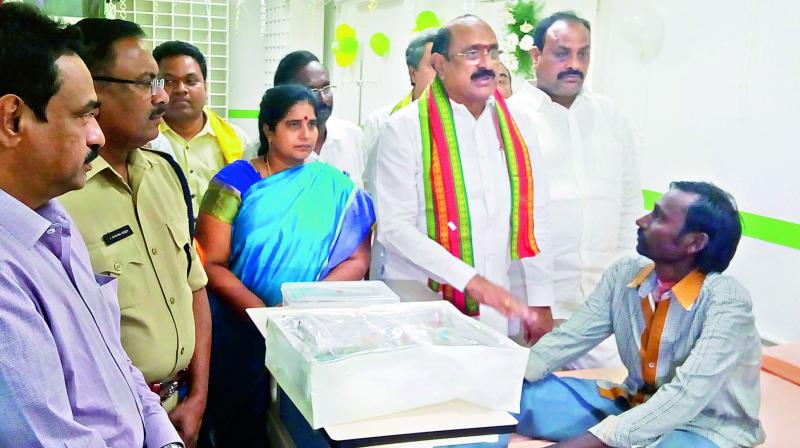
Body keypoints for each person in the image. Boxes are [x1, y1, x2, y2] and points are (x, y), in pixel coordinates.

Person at [0, 4, 181, 447]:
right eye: (83, 115)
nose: (96, 137)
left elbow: (117, 364)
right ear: (12, 120)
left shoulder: (54, 221)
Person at [516, 182, 765, 448]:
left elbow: (684, 397)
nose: (641, 220)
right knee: (511, 396)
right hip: (631, 406)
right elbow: (566, 340)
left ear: (695, 242)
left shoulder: (727, 302)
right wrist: (499, 376)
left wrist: (591, 442)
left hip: (703, 428)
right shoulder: (625, 273)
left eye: (659, 217)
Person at [194, 84, 374, 447]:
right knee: (240, 429)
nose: (306, 133)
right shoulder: (234, 182)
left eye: (311, 124)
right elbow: (210, 263)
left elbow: (358, 258)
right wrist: (264, 315)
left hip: (311, 327)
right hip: (240, 326)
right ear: (268, 130)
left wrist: (301, 305)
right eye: (294, 124)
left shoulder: (335, 185)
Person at [58, 18, 210, 447]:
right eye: (147, 82)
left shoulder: (166, 175)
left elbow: (194, 285)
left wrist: (197, 396)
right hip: (109, 425)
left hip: (179, 408)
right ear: (92, 90)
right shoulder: (60, 198)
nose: (163, 96)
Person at [374, 14, 553, 340]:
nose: (487, 64)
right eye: (472, 54)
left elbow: (535, 209)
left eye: (493, 52)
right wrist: (470, 280)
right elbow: (394, 228)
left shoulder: (517, 124)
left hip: (496, 302)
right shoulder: (404, 128)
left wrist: (540, 299)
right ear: (439, 64)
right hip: (423, 300)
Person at [509, 11, 642, 366]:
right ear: (535, 56)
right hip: (532, 305)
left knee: (609, 396)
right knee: (529, 407)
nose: (575, 64)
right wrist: (536, 300)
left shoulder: (610, 116)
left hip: (600, 301)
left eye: (583, 54)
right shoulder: (509, 118)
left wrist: (631, 282)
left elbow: (630, 202)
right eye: (562, 53)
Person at [153, 40, 250, 215]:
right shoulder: (144, 141)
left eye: (191, 81)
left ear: (205, 86)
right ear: (154, 87)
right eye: (168, 81)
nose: (181, 89)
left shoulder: (237, 140)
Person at [362, 28, 438, 195]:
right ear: (413, 73)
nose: (442, 72)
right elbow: (370, 186)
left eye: (447, 64)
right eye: (434, 65)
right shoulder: (380, 122)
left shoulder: (461, 118)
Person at [273, 50, 365, 186]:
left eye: (326, 88)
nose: (323, 99)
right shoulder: (263, 151)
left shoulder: (352, 136)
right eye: (312, 91)